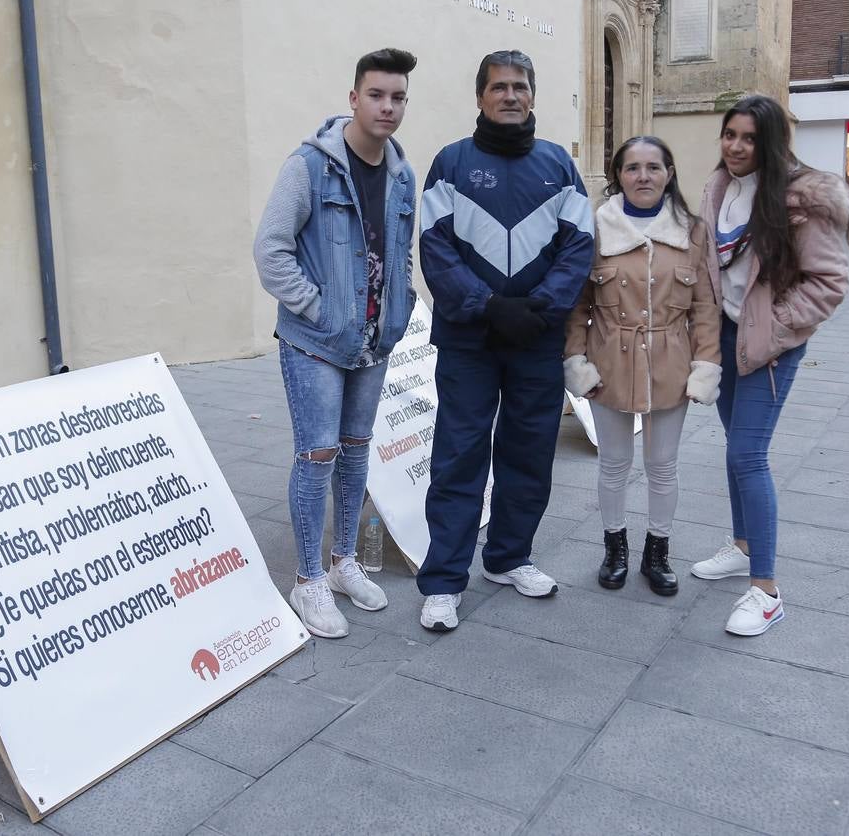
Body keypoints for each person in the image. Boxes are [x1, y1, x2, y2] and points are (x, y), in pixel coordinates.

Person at [415, 49, 594, 632]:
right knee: (460, 453)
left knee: (529, 453)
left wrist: (539, 309)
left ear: (533, 96)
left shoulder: (559, 167)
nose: (510, 95)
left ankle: (509, 557)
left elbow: (578, 248)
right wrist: (487, 305)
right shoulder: (451, 163)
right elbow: (435, 249)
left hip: (536, 340)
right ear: (480, 96)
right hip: (470, 340)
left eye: (520, 86)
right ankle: (443, 581)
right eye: (499, 87)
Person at [252, 48, 419, 638]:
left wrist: (399, 309)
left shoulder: (402, 174)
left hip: (374, 342)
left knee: (355, 450)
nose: (387, 107)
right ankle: (308, 579)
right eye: (376, 95)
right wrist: (320, 309)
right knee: (317, 453)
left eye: (398, 97)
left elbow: (399, 254)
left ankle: (345, 560)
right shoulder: (309, 167)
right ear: (354, 98)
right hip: (315, 343)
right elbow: (270, 250)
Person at [690, 95, 849, 636]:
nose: (736, 146)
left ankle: (766, 591)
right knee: (736, 447)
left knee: (747, 455)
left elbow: (829, 283)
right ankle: (742, 546)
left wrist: (776, 329)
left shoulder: (800, 198)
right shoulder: (720, 187)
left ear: (772, 142)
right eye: (729, 134)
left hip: (770, 346)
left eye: (749, 138)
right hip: (727, 339)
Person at [563, 136, 721, 596]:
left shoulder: (692, 232)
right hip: (609, 361)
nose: (643, 176)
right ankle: (615, 548)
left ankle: (658, 552)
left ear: (669, 174)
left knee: (662, 465)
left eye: (653, 167)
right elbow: (578, 305)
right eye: (633, 168)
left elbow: (706, 307)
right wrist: (577, 362)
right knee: (613, 463)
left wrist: (706, 365)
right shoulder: (595, 229)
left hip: (670, 363)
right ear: (619, 176)